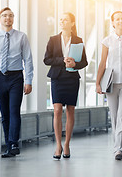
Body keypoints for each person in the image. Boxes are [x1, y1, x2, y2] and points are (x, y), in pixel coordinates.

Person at [0, 7, 34, 158]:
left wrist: (29, 80)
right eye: (4, 16)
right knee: (5, 113)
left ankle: (13, 143)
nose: (8, 18)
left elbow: (28, 60)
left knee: (14, 111)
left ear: (13, 19)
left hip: (16, 78)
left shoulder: (21, 37)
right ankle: (8, 145)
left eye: (11, 16)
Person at [44, 12, 88, 160]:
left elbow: (84, 62)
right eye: (61, 20)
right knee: (57, 110)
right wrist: (61, 60)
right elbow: (46, 59)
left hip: (72, 78)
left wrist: (75, 64)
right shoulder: (53, 39)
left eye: (66, 20)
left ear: (72, 23)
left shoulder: (78, 40)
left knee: (70, 111)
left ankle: (67, 143)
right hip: (57, 78)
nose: (62, 22)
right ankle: (58, 144)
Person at [96, 11, 122, 161]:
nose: (120, 21)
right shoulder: (107, 41)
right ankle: (117, 146)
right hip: (111, 83)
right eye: (117, 19)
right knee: (114, 116)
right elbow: (102, 63)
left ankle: (119, 149)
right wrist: (97, 83)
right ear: (113, 22)